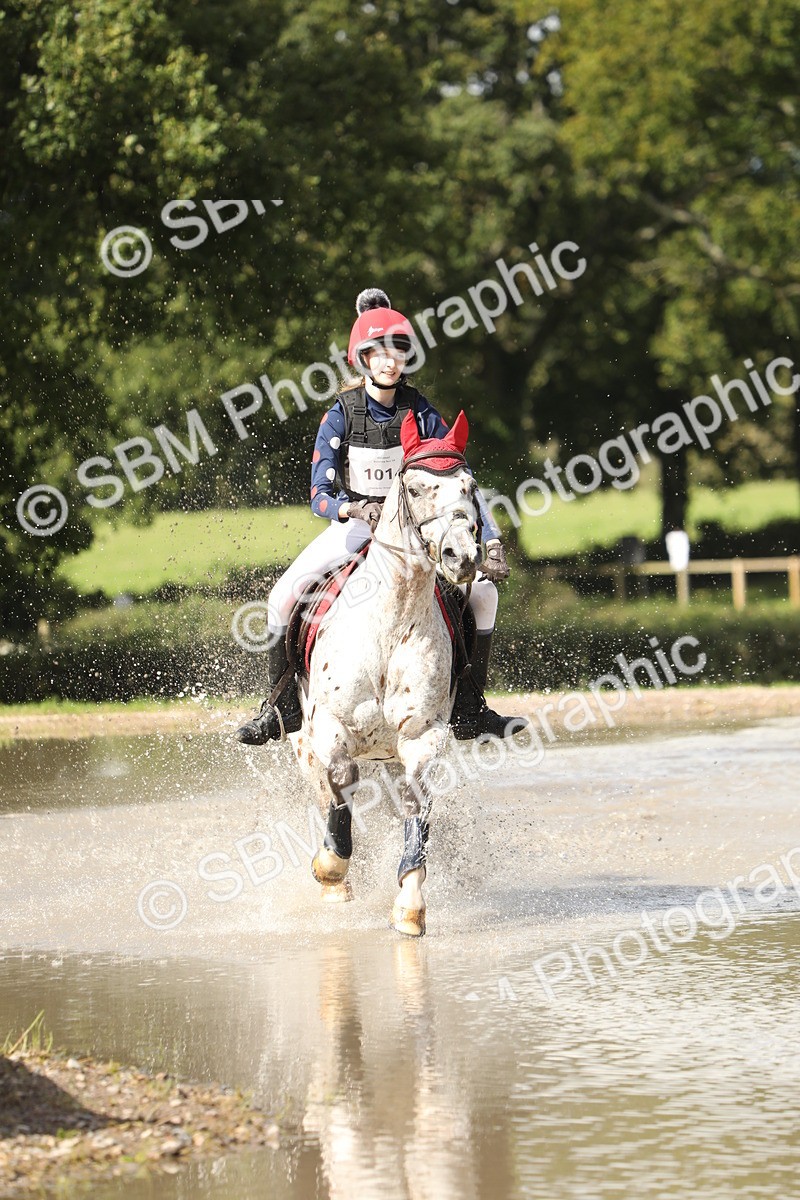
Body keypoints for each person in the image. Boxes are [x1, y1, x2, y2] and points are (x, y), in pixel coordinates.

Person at [236, 287, 524, 745]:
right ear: (363, 358)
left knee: (484, 594)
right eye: (380, 352)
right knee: (281, 597)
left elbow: (458, 477)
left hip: (414, 538)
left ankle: (470, 705)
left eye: (399, 351)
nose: (391, 361)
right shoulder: (340, 416)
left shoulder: (422, 412)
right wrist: (355, 507)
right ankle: (280, 708)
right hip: (352, 531)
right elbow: (319, 495)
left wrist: (489, 540)